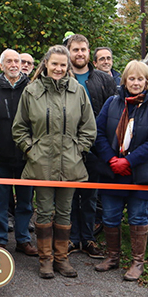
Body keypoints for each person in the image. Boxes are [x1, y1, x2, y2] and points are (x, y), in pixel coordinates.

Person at [13, 46, 96, 278]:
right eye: (55, 64)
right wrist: (31, 150)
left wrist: (79, 150)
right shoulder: (32, 91)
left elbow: (89, 127)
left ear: (67, 66)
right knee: (44, 212)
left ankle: (62, 258)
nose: (59, 68)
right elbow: (19, 128)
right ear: (46, 65)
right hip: (42, 165)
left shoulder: (77, 91)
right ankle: (45, 260)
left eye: (63, 65)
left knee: (64, 212)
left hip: (70, 164)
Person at [91, 60, 148, 281]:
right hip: (113, 171)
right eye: (131, 78)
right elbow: (99, 133)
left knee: (137, 216)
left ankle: (137, 262)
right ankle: (113, 257)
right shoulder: (112, 103)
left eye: (140, 79)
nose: (135, 83)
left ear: (147, 82)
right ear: (124, 80)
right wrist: (112, 159)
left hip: (141, 173)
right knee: (111, 215)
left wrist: (129, 161)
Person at [66, 33, 117, 258]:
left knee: (89, 196)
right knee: (68, 195)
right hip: (66, 146)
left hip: (95, 147)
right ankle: (70, 238)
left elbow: (113, 113)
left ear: (89, 53)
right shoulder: (61, 77)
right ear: (68, 52)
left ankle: (87, 239)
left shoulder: (103, 80)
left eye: (83, 49)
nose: (79, 53)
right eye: (75, 49)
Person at [0, 49, 36, 256]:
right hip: (0, 156)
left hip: (26, 156)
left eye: (18, 61)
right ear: (2, 65)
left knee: (25, 201)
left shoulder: (31, 89)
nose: (14, 64)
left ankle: (23, 239)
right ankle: (0, 238)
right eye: (9, 61)